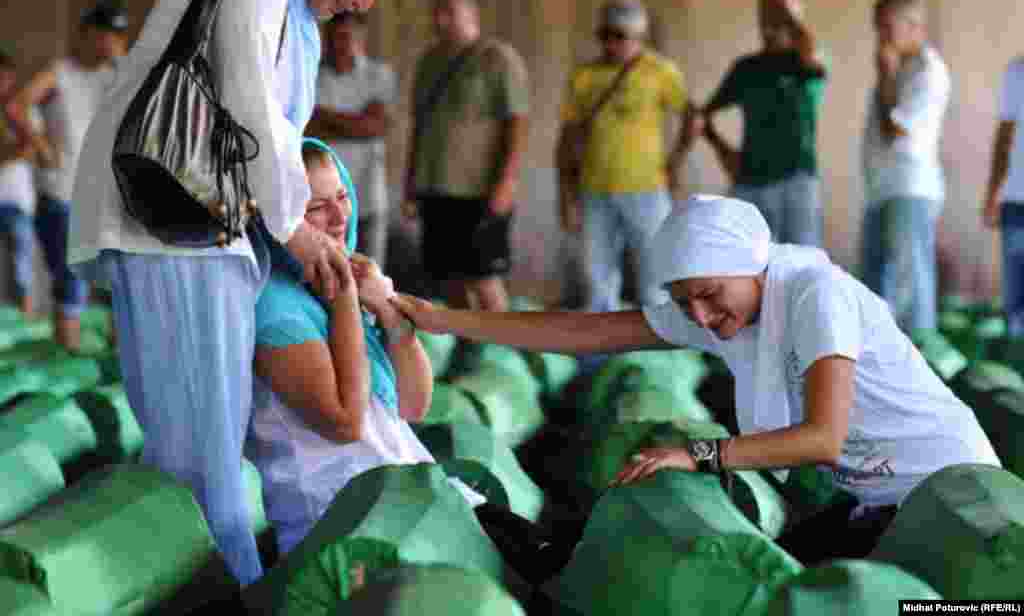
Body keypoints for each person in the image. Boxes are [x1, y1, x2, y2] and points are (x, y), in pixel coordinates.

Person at [67, 0, 410, 586]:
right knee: (201, 449)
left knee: (206, 438)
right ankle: (229, 590)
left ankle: (200, 580)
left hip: (203, 230)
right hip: (175, 230)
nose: (365, 1)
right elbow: (250, 106)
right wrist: (292, 230)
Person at [392, 195, 1000, 565]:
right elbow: (580, 332)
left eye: (709, 295)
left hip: (955, 497)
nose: (703, 318)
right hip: (880, 499)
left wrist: (699, 454)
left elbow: (822, 439)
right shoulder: (723, 310)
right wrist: (442, 320)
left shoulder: (818, 296)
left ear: (750, 265)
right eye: (685, 304)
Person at [246, 138, 571, 584]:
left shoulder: (333, 287)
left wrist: (388, 313)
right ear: (283, 223)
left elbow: (413, 406)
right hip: (341, 528)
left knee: (548, 563)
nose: (340, 217)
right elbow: (346, 422)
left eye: (342, 197)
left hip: (407, 497)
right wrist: (344, 297)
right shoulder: (275, 306)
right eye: (316, 208)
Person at [557, 0, 694, 321]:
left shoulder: (661, 71)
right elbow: (568, 135)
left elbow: (692, 116)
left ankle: (661, 343)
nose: (611, 43)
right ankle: (603, 349)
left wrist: (675, 162)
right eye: (605, 35)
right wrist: (565, 191)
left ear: (638, 37)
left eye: (620, 36)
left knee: (656, 276)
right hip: (594, 188)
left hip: (646, 187)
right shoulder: (584, 76)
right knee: (597, 278)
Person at [403, 0, 529, 312]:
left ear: (471, 13)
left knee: (483, 277)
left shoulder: (498, 58)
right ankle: (467, 346)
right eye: (437, 12)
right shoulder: (428, 61)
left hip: (479, 190)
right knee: (446, 277)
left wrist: (507, 182)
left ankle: (505, 351)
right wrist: (410, 184)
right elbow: (419, 126)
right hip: (435, 186)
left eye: (449, 12)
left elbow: (517, 123)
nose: (440, 20)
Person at [6, 6, 128, 346]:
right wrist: (40, 145)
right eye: (103, 33)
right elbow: (16, 106)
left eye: (116, 35)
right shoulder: (59, 73)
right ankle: (68, 355)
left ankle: (117, 367)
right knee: (73, 280)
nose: (108, 42)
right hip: (62, 193)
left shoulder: (116, 76)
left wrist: (122, 63)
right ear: (85, 33)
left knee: (120, 281)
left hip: (104, 197)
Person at [701, 0, 828, 246]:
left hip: (796, 178)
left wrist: (789, 16)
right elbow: (702, 115)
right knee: (746, 261)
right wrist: (723, 150)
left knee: (803, 262)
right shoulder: (746, 68)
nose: (771, 20)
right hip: (750, 179)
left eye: (779, 14)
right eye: (766, 13)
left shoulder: (806, 63)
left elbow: (812, 54)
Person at [861, 0, 951, 336]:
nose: (881, 38)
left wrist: (885, 78)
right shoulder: (900, 67)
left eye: (887, 28)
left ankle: (921, 356)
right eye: (877, 29)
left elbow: (894, 129)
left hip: (910, 189)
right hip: (882, 188)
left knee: (909, 283)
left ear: (914, 27)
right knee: (875, 281)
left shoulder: (928, 71)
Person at [307, 11, 397, 266]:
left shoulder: (379, 75)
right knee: (328, 271)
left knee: (371, 274)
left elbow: (374, 127)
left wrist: (321, 114)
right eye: (334, 37)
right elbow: (305, 129)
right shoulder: (312, 74)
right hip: (324, 201)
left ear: (361, 38)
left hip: (369, 192)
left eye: (347, 36)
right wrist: (356, 121)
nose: (340, 43)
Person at [983, 56, 1024, 337]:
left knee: (1015, 300)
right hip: (1016, 199)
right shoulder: (1016, 72)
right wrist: (994, 191)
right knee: (1014, 303)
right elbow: (1005, 136)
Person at [0, 51, 37, 315]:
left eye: (5, 76)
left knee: (21, 265)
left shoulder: (25, 110)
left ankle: (26, 319)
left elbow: (33, 149)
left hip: (16, 199)